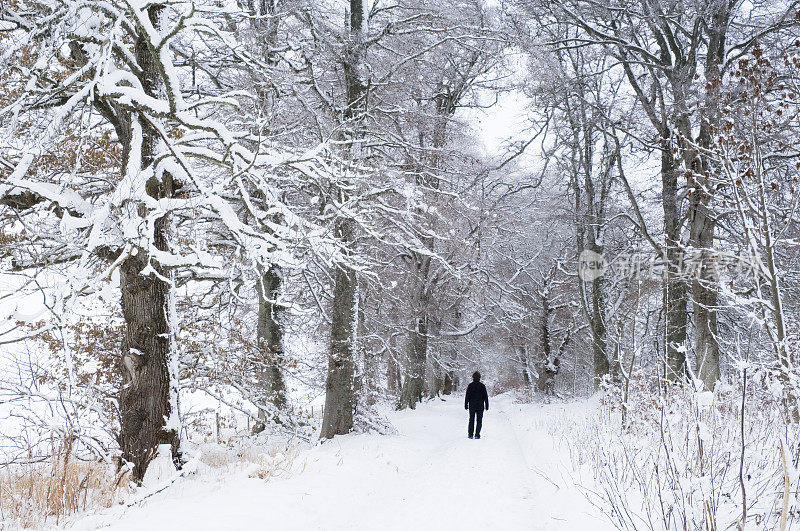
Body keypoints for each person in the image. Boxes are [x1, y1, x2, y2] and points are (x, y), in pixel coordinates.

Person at [464, 371, 489, 439]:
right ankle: (477, 434)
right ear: (479, 378)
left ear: (473, 377)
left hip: (472, 405)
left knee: (471, 419)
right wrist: (487, 405)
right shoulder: (482, 386)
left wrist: (466, 404)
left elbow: (467, 396)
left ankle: (470, 434)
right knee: (479, 420)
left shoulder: (470, 385)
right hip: (480, 406)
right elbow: (485, 396)